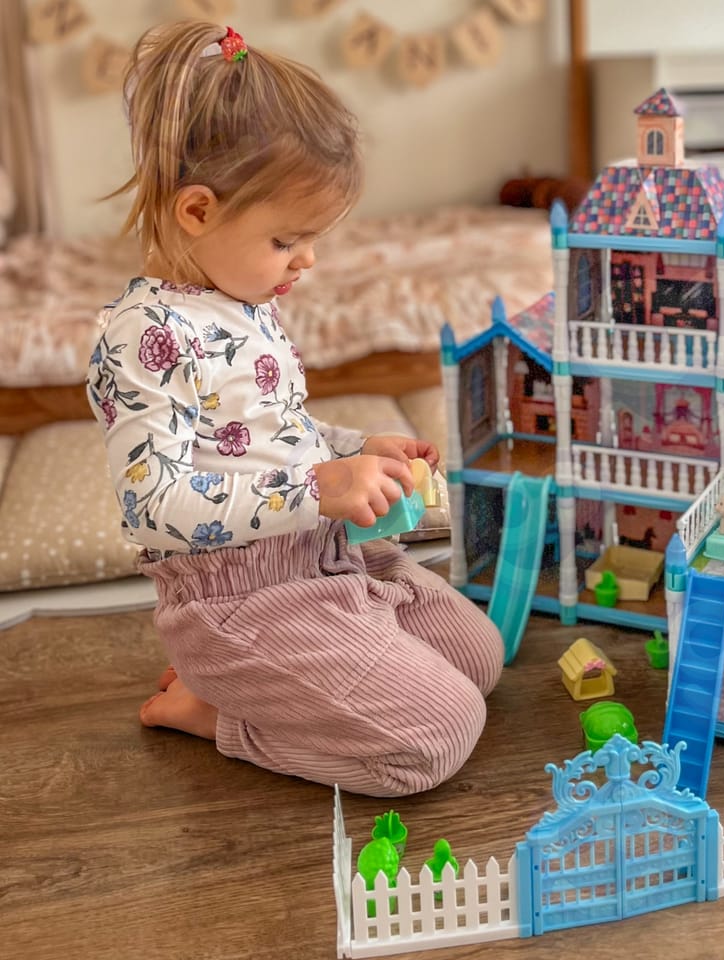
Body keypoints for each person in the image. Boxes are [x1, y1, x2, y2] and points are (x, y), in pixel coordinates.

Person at [86, 21, 503, 798]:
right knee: (436, 736)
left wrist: (354, 447)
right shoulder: (145, 335)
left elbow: (270, 434)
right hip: (240, 601)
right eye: (287, 240)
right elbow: (155, 508)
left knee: (480, 658)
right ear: (197, 212)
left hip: (325, 557)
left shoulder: (246, 302)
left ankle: (327, 676)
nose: (308, 259)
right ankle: (219, 712)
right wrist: (318, 489)